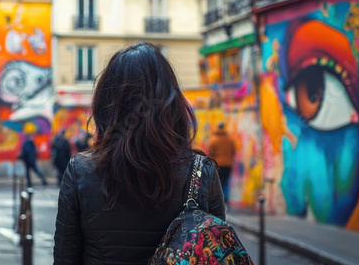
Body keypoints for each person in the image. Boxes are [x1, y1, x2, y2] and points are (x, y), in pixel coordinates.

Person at [54, 42, 225, 265]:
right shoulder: (201, 173)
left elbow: (65, 259)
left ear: (107, 103)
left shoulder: (80, 170)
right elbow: (217, 254)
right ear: (171, 101)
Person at [207, 123, 236, 204]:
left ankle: (219, 199)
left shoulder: (214, 140)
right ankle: (225, 199)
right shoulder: (230, 140)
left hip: (218, 164)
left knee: (218, 182)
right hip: (228, 164)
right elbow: (233, 151)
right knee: (226, 182)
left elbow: (210, 153)